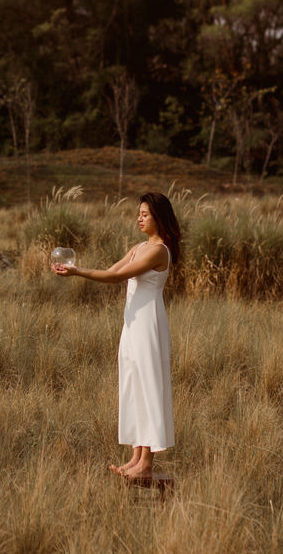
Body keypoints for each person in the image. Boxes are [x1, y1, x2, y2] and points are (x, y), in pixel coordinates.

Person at [52, 191, 181, 482]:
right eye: (139, 213)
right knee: (133, 384)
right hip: (132, 325)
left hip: (149, 325)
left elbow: (115, 278)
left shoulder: (158, 250)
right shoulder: (139, 247)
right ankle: (136, 456)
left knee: (148, 387)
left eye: (145, 214)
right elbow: (112, 270)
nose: (139, 218)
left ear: (159, 217)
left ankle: (147, 462)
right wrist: (75, 269)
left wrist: (77, 272)